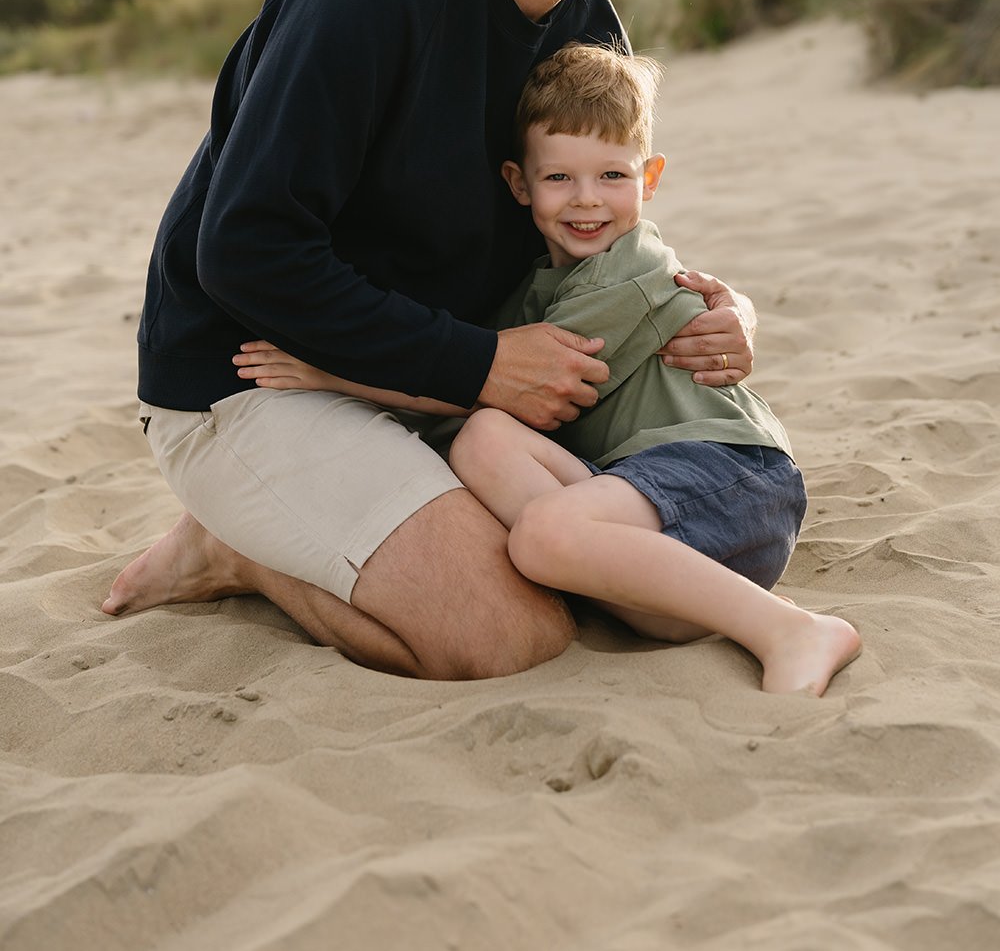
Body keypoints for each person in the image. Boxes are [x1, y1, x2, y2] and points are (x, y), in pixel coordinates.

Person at [102, 0, 757, 680]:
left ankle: (310, 527)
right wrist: (479, 367)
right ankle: (236, 546)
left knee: (608, 577)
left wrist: (726, 311)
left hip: (417, 384)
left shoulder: (590, 37)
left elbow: (586, 230)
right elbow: (239, 250)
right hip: (244, 375)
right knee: (509, 634)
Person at [241, 44, 861, 695]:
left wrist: (331, 375)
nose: (586, 201)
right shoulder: (537, 293)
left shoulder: (627, 277)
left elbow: (482, 390)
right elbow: (478, 398)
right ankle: (655, 596)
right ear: (518, 183)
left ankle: (793, 630)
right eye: (559, 178)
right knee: (484, 440)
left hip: (728, 478)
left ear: (649, 179)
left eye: (612, 177)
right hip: (644, 506)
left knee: (541, 533)